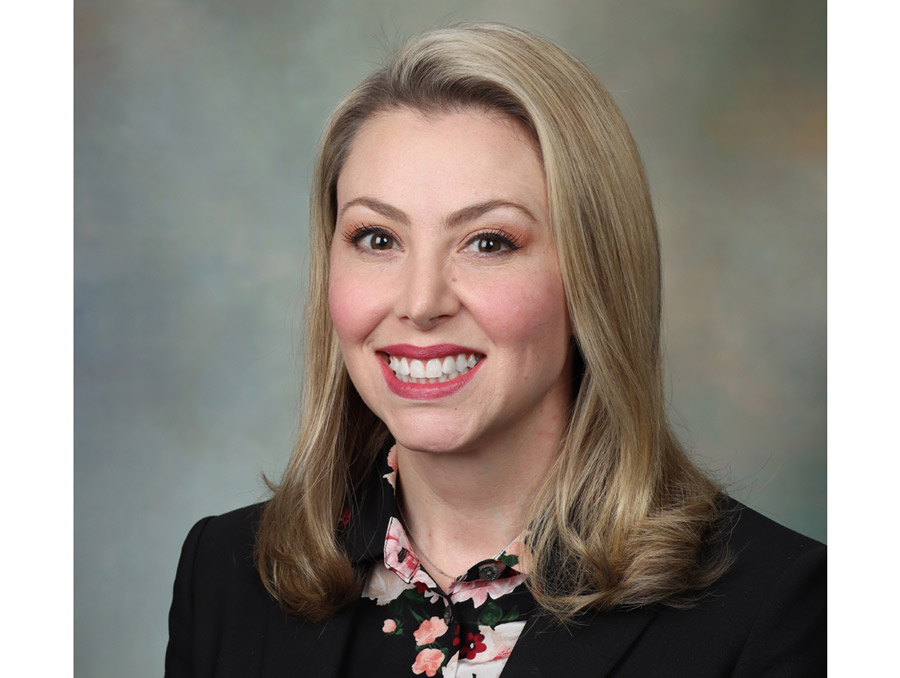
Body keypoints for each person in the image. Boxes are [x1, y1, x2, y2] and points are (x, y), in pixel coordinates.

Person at [165, 23, 825, 677]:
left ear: (593, 276)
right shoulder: (225, 575)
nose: (421, 302)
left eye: (488, 242)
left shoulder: (779, 609)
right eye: (377, 238)